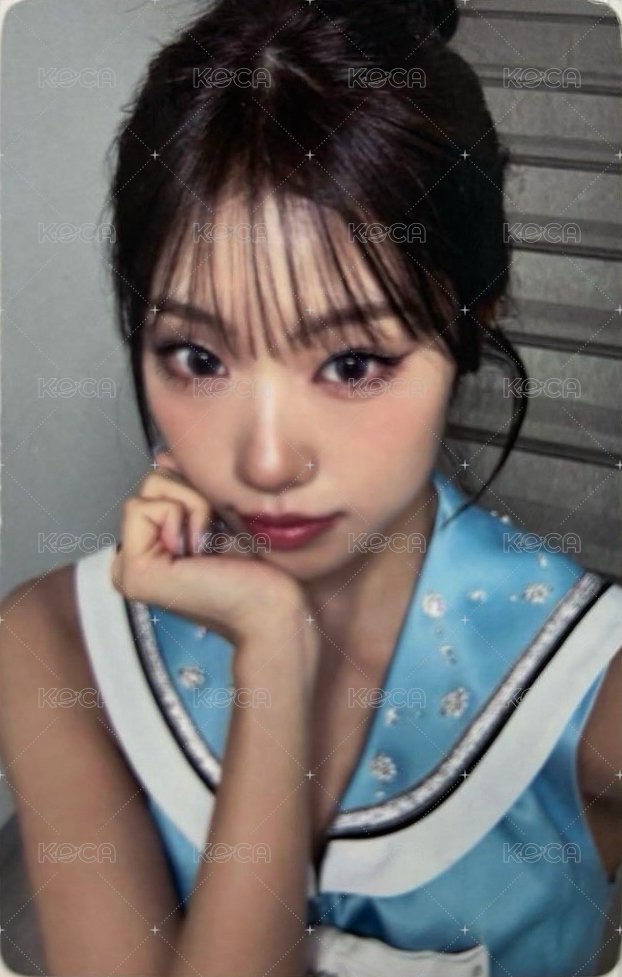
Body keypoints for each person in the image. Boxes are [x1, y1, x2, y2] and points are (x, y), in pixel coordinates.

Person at [1, 0, 621, 975]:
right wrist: (273, 661)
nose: (264, 462)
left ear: (474, 319)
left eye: (351, 363)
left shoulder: (591, 678)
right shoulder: (55, 641)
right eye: (199, 356)